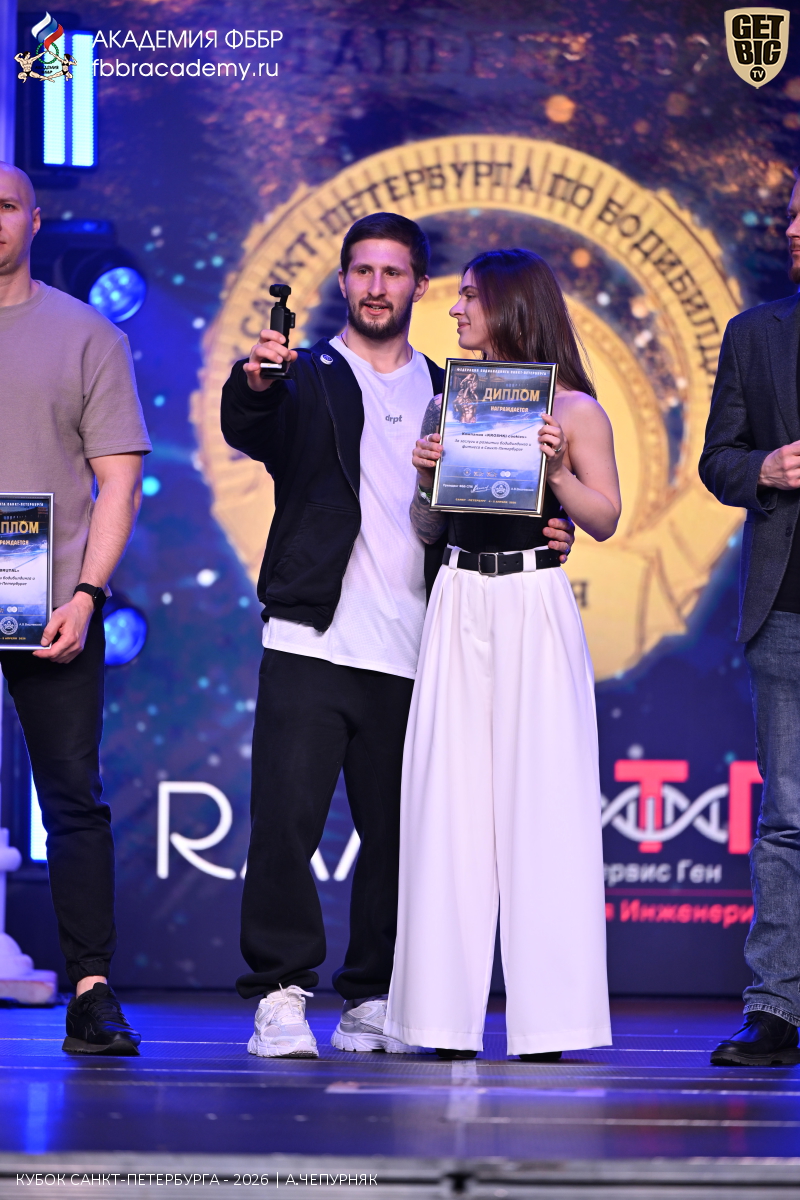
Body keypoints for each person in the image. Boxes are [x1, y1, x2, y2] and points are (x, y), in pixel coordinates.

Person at [220, 214, 577, 1059]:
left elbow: (504, 501)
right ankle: (279, 994)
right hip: (311, 637)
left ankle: (373, 996)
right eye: (362, 271)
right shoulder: (303, 375)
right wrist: (256, 383)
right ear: (342, 281)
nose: (376, 286)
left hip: (423, 644)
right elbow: (249, 425)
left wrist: (552, 530)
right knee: (285, 826)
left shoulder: (463, 389)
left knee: (401, 837)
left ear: (420, 284)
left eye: (393, 272)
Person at [385, 249, 620, 1060]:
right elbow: (428, 526)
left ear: (512, 306)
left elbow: (604, 517)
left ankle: (552, 1023)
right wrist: (426, 478)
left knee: (543, 803)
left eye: (469, 298)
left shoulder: (575, 408)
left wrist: (555, 471)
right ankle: (436, 1021)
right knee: (445, 804)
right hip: (458, 596)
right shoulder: (446, 403)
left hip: (532, 597)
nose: (455, 310)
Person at [0, 164, 150, 1055]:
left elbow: (118, 481)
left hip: (52, 599)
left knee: (72, 799)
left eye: (4, 205)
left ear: (34, 219)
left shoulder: (88, 333)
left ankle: (91, 992)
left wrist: (88, 596)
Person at [700, 171, 800, 1068]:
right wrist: (765, 468)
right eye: (794, 213)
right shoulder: (755, 333)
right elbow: (717, 459)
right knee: (788, 819)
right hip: (786, 610)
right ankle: (775, 1010)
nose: (795, 228)